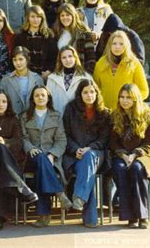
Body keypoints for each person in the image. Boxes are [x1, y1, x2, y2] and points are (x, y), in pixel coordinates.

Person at [0, 89, 38, 230]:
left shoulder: (13, 120)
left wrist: (4, 142)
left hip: (7, 164)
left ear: (8, 104)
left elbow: (18, 143)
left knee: (1, 168)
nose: (0, 104)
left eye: (4, 101)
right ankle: (21, 187)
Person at [110, 84, 150, 229]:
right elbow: (113, 143)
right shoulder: (115, 115)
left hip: (144, 155)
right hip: (121, 155)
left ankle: (142, 215)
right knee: (120, 169)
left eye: (128, 97)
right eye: (122, 97)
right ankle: (130, 216)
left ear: (135, 99)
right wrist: (122, 155)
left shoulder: (147, 115)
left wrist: (135, 154)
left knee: (136, 169)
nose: (125, 100)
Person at [20, 85, 72, 228]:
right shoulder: (25, 116)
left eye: (43, 95)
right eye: (37, 95)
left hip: (51, 159)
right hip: (31, 156)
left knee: (41, 170)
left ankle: (44, 215)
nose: (40, 98)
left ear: (48, 97)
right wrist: (30, 148)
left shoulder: (56, 116)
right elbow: (23, 138)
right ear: (33, 99)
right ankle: (59, 192)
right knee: (40, 160)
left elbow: (61, 140)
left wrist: (52, 154)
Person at [62, 79, 111, 228]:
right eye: (85, 92)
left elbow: (104, 139)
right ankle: (90, 219)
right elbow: (65, 135)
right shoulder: (70, 109)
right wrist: (75, 149)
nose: (89, 95)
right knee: (86, 169)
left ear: (96, 93)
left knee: (88, 159)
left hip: (97, 154)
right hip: (74, 155)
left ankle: (79, 197)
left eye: (92, 91)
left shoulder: (104, 112)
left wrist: (90, 148)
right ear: (79, 94)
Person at [93, 30, 149, 110]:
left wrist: (130, 102)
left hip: (126, 113)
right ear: (109, 45)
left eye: (121, 44)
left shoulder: (134, 63)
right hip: (105, 113)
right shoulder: (101, 63)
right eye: (114, 43)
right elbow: (95, 89)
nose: (117, 47)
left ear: (126, 46)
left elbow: (144, 90)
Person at [12, 5, 58, 79]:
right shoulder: (20, 36)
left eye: (38, 16)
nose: (35, 19)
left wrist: (49, 71)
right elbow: (15, 56)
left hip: (45, 75)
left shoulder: (49, 35)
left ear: (42, 18)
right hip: (25, 76)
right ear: (28, 18)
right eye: (32, 16)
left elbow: (54, 57)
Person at [46, 45, 93, 116]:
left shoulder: (86, 78)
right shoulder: (52, 78)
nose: (67, 60)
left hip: (78, 120)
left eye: (70, 56)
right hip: (57, 119)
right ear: (60, 60)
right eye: (64, 57)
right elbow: (48, 101)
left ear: (75, 58)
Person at [53, 3, 96, 73]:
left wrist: (87, 75)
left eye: (68, 15)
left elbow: (91, 58)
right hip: (60, 73)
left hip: (79, 73)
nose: (65, 18)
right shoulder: (56, 34)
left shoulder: (83, 33)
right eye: (62, 15)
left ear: (73, 16)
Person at [0, 46, 43, 116]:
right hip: (13, 119)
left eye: (20, 59)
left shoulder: (37, 79)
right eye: (15, 60)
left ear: (27, 60)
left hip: (33, 119)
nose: (18, 63)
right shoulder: (6, 80)